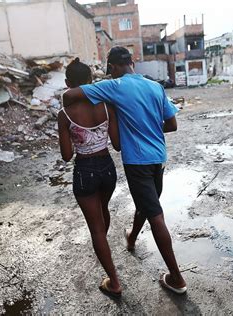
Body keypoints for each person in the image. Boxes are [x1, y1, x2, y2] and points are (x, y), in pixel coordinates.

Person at [63, 47, 187, 294]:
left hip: (137, 162)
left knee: (155, 214)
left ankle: (177, 278)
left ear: (112, 67)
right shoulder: (155, 86)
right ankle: (131, 237)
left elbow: (70, 96)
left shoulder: (114, 86)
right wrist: (148, 126)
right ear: (132, 62)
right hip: (157, 159)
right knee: (147, 203)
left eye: (110, 70)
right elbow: (171, 124)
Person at [58, 58, 122, 298]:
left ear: (67, 84)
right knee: (103, 211)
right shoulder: (107, 106)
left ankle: (114, 282)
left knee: (95, 230)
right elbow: (116, 144)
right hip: (107, 167)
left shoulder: (64, 114)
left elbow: (66, 156)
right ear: (90, 81)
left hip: (84, 171)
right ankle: (103, 250)